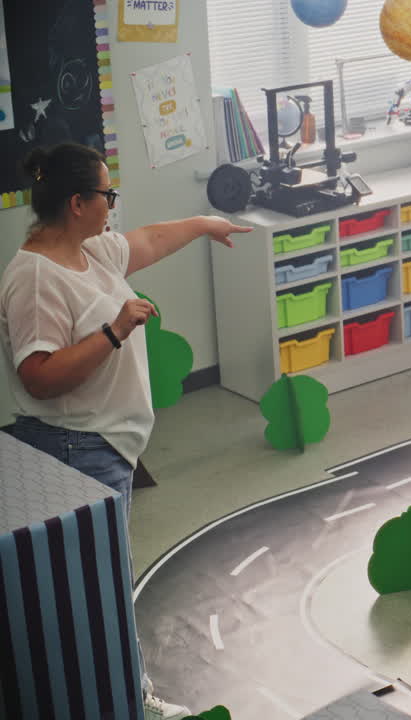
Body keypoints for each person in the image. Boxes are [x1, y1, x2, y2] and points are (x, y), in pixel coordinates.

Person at [0, 142, 250, 719]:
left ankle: (122, 698)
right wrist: (114, 331)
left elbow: (152, 239)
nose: (115, 204)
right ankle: (129, 702)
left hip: (106, 446)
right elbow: (37, 377)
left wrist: (204, 223)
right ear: (78, 202)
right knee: (101, 591)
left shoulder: (90, 254)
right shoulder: (35, 278)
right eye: (108, 194)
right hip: (76, 449)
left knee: (102, 586)